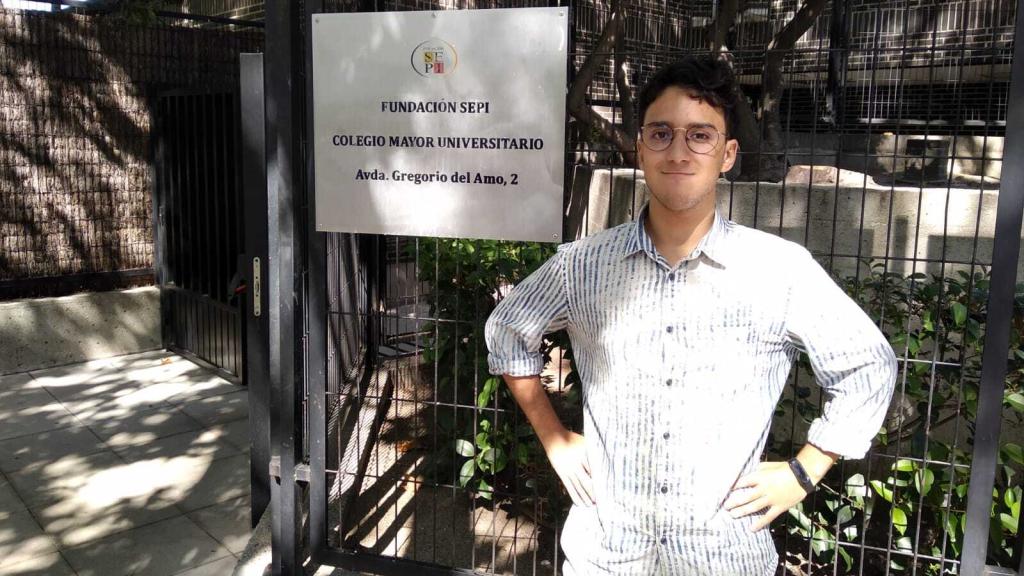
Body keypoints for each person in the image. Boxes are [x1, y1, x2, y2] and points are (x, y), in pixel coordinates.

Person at [483, 55, 897, 575]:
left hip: (723, 557)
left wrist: (805, 471)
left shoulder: (780, 270)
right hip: (607, 555)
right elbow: (507, 328)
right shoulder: (580, 266)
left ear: (727, 155)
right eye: (660, 133)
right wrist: (554, 437)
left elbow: (868, 365)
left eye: (700, 136)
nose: (678, 151)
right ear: (639, 148)